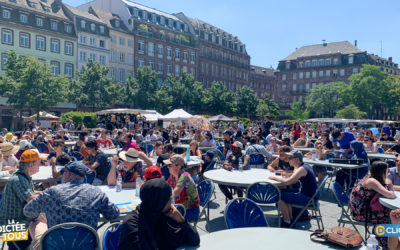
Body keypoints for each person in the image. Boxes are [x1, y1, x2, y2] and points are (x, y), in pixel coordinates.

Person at [24, 161, 120, 250]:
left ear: (68, 174)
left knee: (35, 224)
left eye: (63, 172)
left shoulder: (51, 192)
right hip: (87, 245)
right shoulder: (96, 192)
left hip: (56, 246)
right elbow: (113, 214)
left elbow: (28, 211)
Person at [118, 178, 200, 249]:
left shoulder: (166, 215)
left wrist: (182, 220)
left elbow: (194, 240)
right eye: (169, 199)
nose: (171, 203)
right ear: (160, 202)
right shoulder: (133, 224)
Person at [0, 150, 44, 249]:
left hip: (14, 223)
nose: (40, 165)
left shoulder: (22, 176)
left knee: (43, 220)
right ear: (31, 165)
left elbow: (31, 193)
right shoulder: (18, 180)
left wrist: (47, 192)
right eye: (38, 162)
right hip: (12, 228)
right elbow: (32, 200)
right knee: (44, 229)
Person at [350, 161, 394, 248]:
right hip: (360, 213)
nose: (388, 172)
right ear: (382, 172)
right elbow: (391, 195)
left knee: (388, 215)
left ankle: (380, 239)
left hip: (362, 208)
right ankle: (384, 243)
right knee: (387, 218)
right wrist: (391, 186)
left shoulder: (370, 178)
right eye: (386, 170)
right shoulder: (372, 181)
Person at [269, 150, 318, 227]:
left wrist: (274, 177)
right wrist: (287, 174)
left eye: (290, 158)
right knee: (285, 193)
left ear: (297, 159)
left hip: (307, 198)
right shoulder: (305, 166)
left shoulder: (302, 169)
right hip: (310, 196)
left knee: (279, 195)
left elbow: (287, 182)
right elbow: (295, 176)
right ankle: (289, 219)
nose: (288, 160)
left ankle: (287, 221)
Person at [164, 155, 200, 222]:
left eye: (170, 165)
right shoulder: (173, 176)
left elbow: (174, 194)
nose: (167, 167)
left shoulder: (184, 176)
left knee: (164, 217)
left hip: (190, 210)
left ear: (178, 166)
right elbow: (165, 187)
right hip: (179, 206)